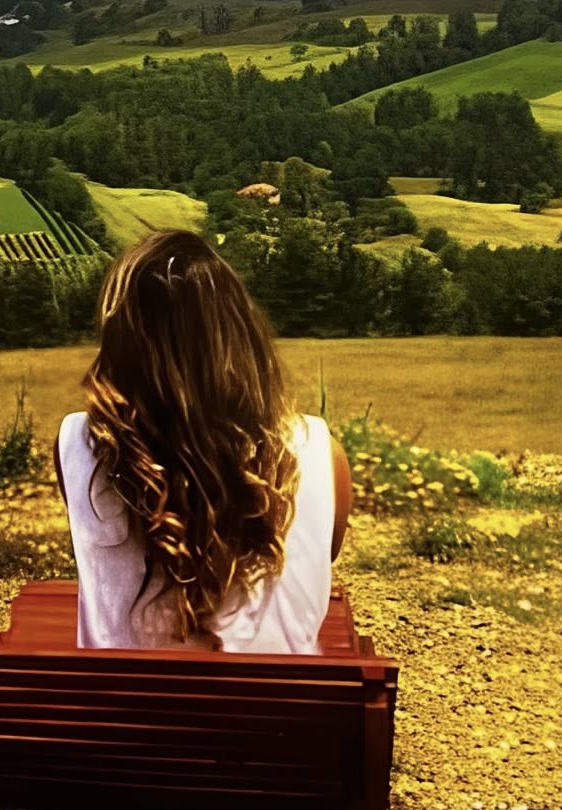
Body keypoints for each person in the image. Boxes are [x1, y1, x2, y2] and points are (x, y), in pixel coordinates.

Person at [54, 230, 351, 651]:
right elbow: (323, 553)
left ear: (121, 341)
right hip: (279, 697)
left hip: (121, 696)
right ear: (241, 335)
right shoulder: (319, 452)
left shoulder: (79, 445)